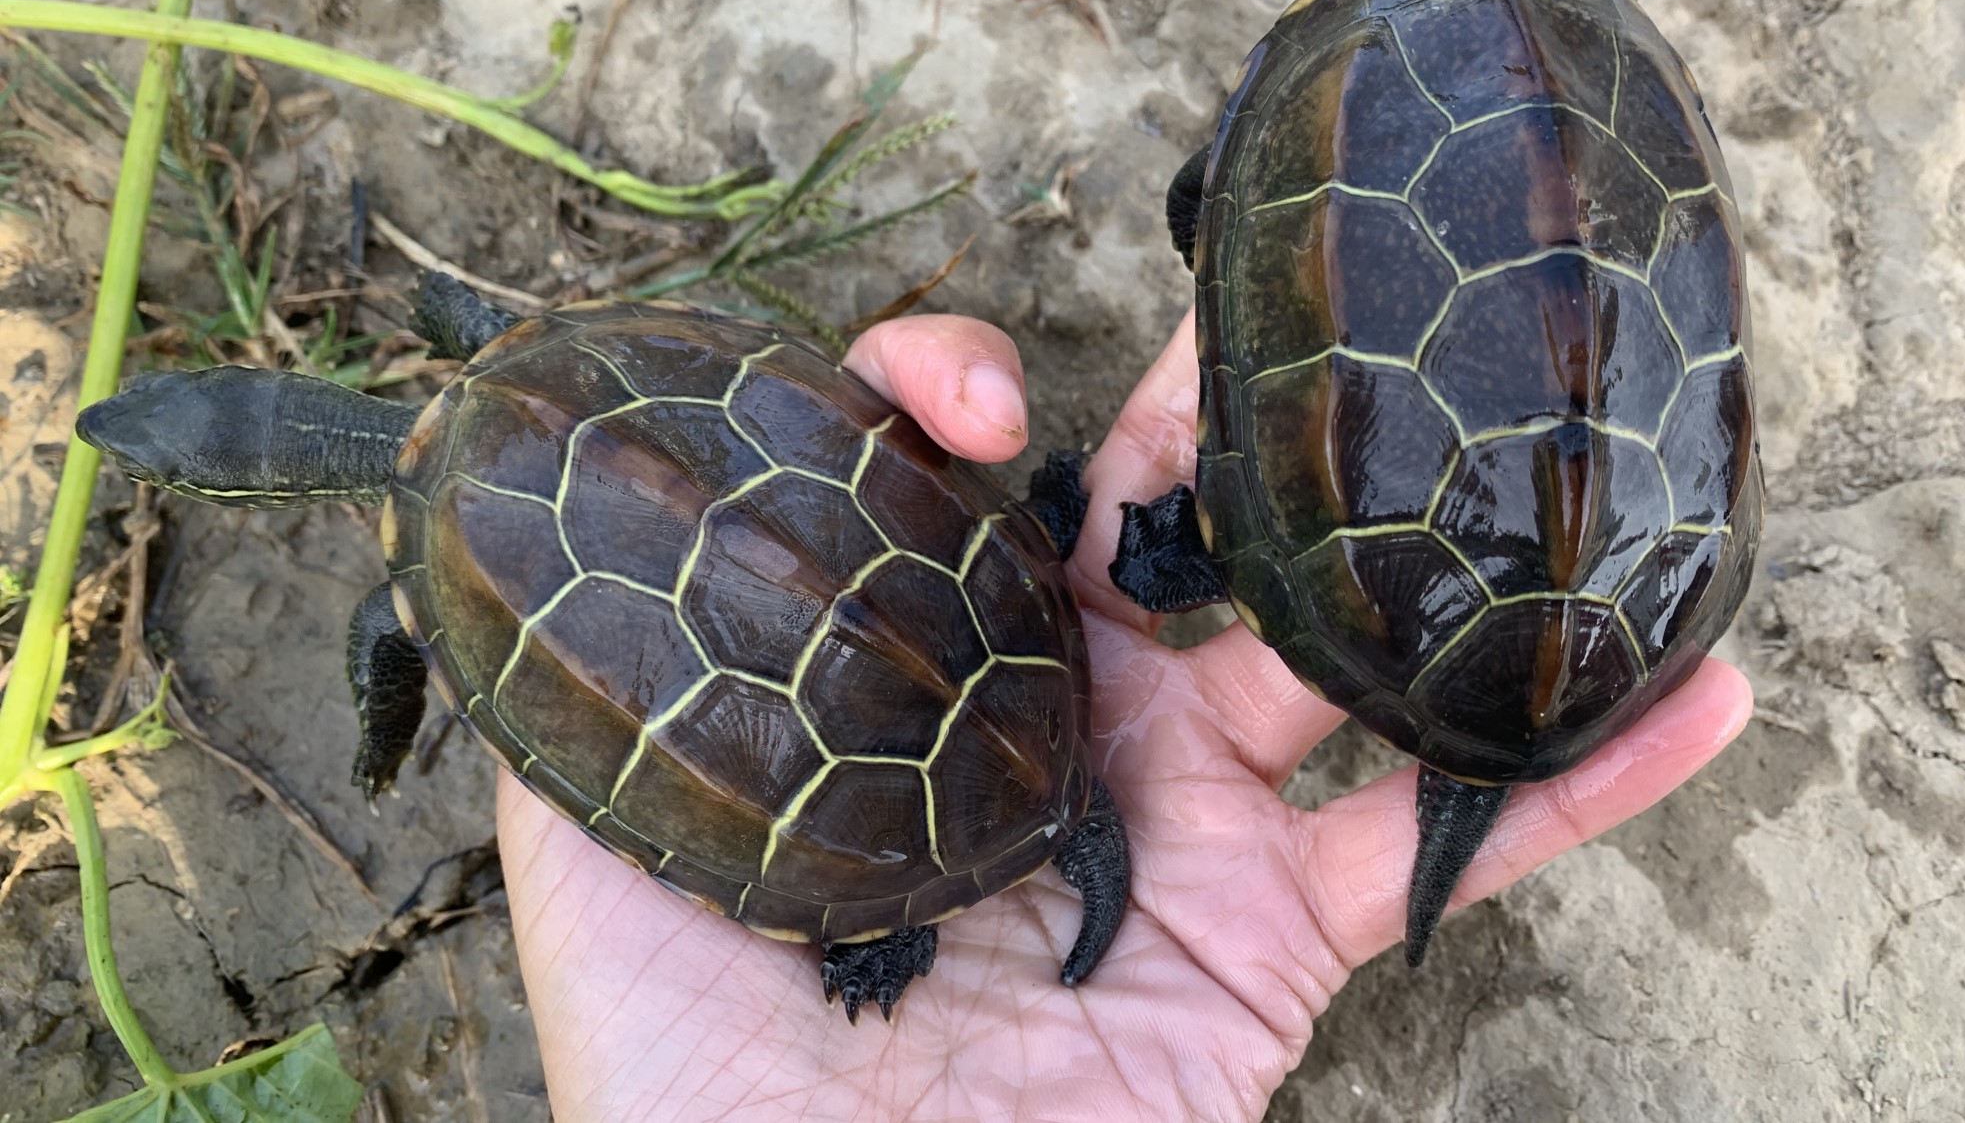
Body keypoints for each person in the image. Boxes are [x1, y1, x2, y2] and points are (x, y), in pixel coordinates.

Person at [494, 312, 1752, 1121]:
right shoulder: (571, 383)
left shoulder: (471, 575)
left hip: (959, 744)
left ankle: (887, 933)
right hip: (1027, 669)